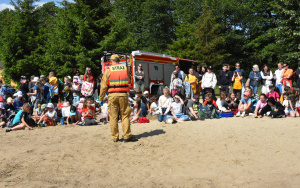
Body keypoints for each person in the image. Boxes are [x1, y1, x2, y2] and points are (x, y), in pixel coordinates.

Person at [99, 54, 137, 142]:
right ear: (119, 60)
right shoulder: (125, 69)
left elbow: (103, 86)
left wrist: (101, 98)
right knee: (125, 116)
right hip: (123, 95)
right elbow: (129, 80)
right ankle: (127, 136)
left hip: (112, 95)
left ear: (111, 61)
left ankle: (115, 137)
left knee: (113, 117)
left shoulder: (108, 70)